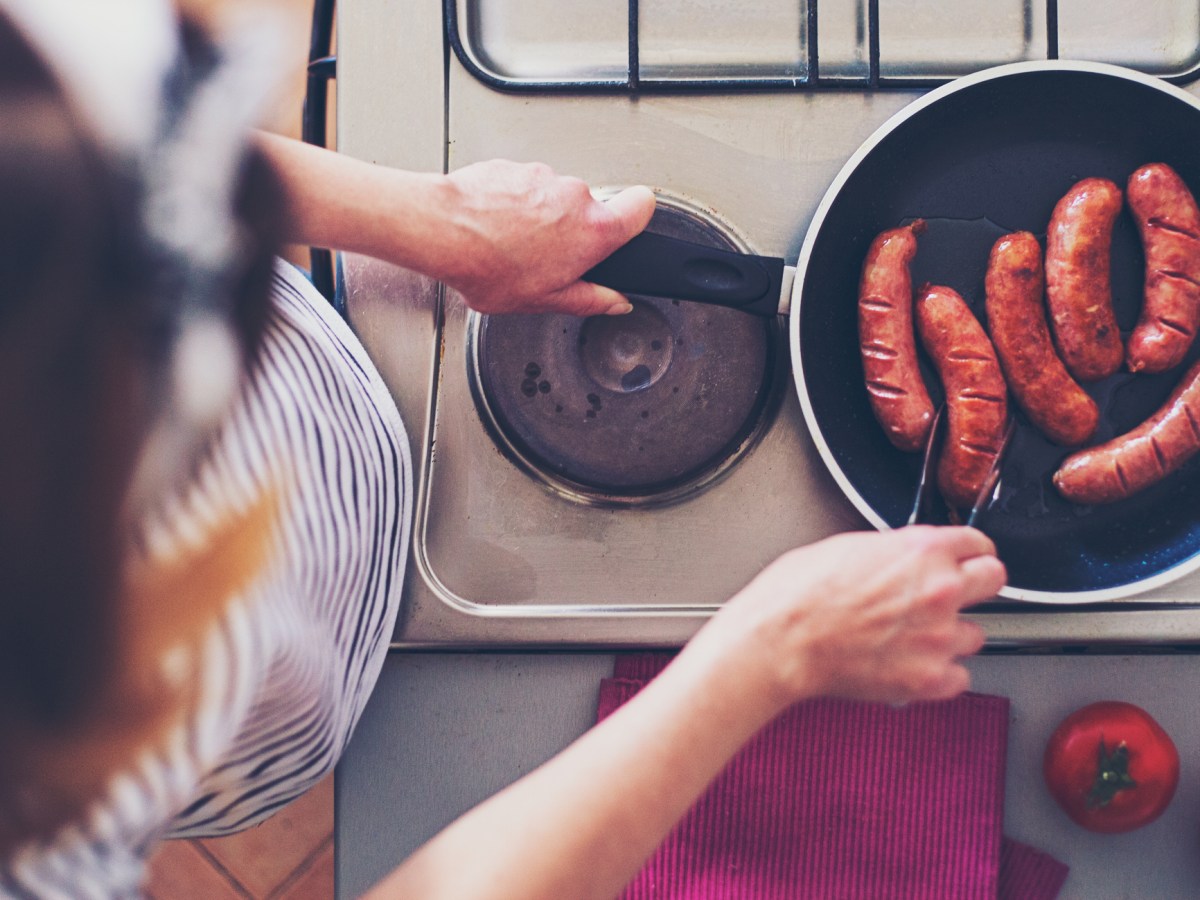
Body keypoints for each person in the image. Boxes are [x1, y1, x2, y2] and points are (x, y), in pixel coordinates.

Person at [0, 2, 1006, 897]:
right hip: (245, 719)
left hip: (327, 437)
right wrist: (766, 656)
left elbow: (108, 138)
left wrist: (430, 221)